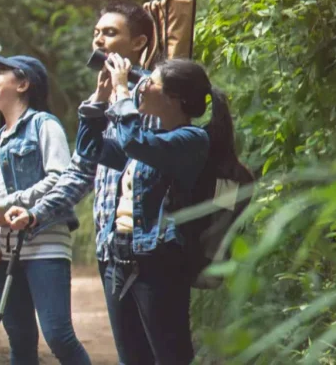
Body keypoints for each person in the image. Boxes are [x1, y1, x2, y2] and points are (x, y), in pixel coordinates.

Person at [78, 54, 242, 364]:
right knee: (132, 358)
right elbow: (90, 148)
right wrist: (100, 97)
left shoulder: (191, 140)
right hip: (119, 258)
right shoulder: (149, 139)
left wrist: (122, 90)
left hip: (158, 264)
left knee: (170, 356)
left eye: (150, 83)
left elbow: (133, 143)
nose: (141, 88)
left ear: (174, 98)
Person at [18, 1, 158, 363]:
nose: (99, 40)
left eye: (110, 33)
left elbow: (146, 156)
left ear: (139, 42)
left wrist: (123, 92)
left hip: (151, 249)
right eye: (97, 32)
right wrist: (36, 214)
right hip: (110, 250)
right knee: (130, 356)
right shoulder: (102, 101)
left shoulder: (156, 95)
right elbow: (81, 171)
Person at [0, 52, 93, 365]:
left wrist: (9, 205)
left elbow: (60, 178)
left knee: (58, 336)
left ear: (23, 84)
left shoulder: (44, 124)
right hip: (4, 252)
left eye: (0, 72)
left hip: (44, 245)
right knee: (20, 339)